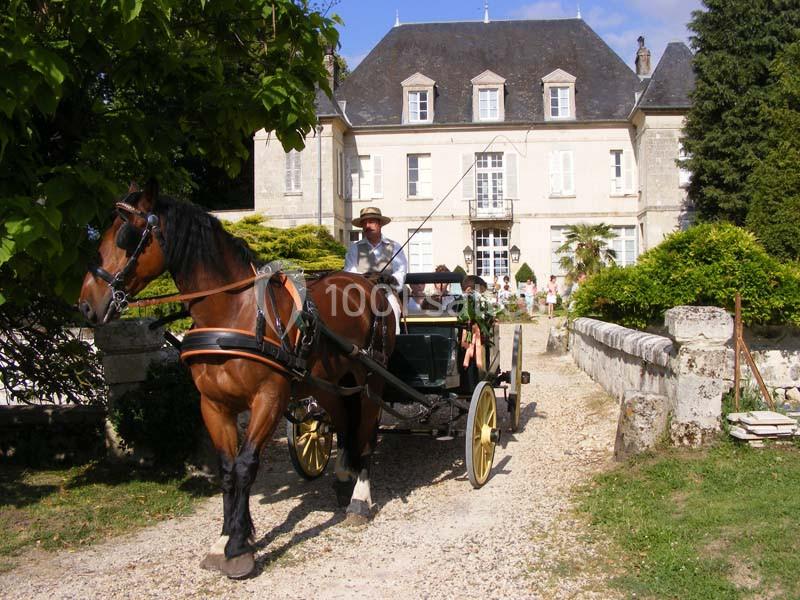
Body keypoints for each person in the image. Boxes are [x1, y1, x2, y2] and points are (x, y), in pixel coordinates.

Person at [344, 207, 408, 332]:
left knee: (393, 310)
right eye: (364, 223)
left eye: (372, 222)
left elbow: (401, 271)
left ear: (380, 224)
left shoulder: (394, 246)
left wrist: (391, 281)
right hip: (361, 294)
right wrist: (365, 281)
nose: (368, 225)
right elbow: (349, 273)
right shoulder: (354, 249)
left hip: (387, 293)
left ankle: (393, 341)